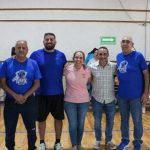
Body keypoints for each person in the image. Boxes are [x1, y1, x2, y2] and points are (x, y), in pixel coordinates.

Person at [0, 40, 41, 150]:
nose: (21, 49)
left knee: (31, 128)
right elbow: (2, 82)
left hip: (29, 102)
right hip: (10, 102)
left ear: (27, 50)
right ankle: (10, 148)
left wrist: (25, 96)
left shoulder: (33, 63)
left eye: (24, 47)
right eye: (19, 47)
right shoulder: (6, 63)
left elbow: (37, 83)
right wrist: (15, 95)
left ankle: (32, 147)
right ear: (15, 49)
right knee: (10, 129)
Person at [30, 33, 67, 150]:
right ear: (43, 41)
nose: (49, 41)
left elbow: (66, 70)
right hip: (41, 94)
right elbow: (29, 71)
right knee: (41, 120)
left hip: (58, 94)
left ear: (55, 41)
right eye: (47, 39)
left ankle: (58, 142)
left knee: (59, 119)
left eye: (51, 39)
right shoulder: (35, 55)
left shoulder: (61, 55)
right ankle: (42, 142)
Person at [116, 36, 149, 150]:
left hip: (136, 96)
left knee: (137, 120)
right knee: (124, 120)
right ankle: (125, 141)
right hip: (122, 96)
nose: (125, 43)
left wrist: (146, 93)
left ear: (132, 44)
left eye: (127, 42)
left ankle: (137, 142)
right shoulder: (118, 56)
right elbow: (119, 71)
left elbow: (146, 75)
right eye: (123, 41)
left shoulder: (138, 56)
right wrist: (117, 77)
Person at [88, 46, 117, 150]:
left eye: (105, 54)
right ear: (97, 55)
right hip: (97, 99)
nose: (102, 56)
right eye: (100, 54)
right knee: (97, 122)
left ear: (108, 55)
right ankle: (98, 140)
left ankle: (109, 141)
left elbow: (121, 76)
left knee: (110, 121)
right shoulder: (91, 66)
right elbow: (86, 78)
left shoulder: (114, 66)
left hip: (110, 99)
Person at [63, 51, 91, 150]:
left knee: (81, 124)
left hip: (84, 101)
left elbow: (89, 81)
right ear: (73, 58)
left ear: (83, 59)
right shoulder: (67, 68)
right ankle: (74, 145)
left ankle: (79, 144)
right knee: (73, 124)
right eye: (76, 57)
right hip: (69, 101)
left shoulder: (87, 70)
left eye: (80, 58)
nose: (78, 59)